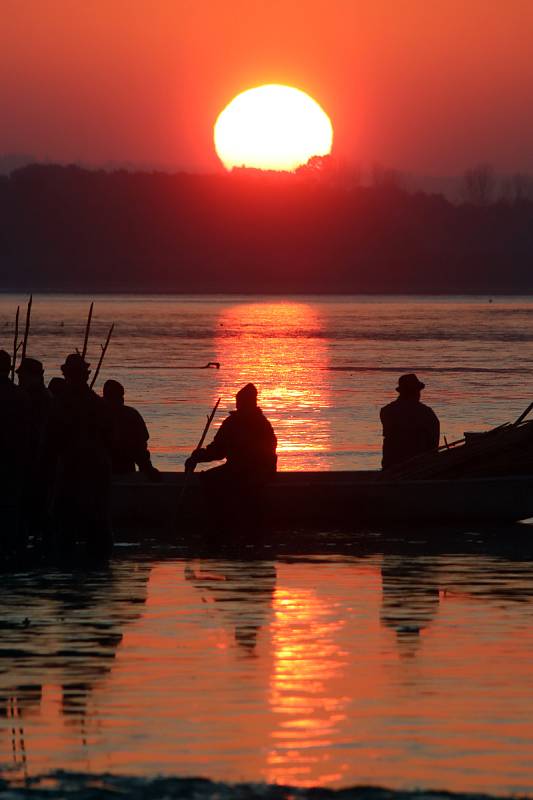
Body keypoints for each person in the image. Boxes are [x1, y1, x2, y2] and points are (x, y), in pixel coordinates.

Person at [46, 353, 113, 555]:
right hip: (96, 469)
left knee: (65, 527)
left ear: (67, 375)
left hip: (71, 470)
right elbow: (110, 439)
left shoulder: (59, 404)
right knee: (97, 526)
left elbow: (49, 441)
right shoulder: (98, 404)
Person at [185, 383, 277, 510]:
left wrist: (197, 457)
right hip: (261, 472)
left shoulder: (236, 423)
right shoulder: (263, 422)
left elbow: (218, 451)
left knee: (208, 479)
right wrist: (198, 456)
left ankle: (218, 514)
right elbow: (218, 449)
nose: (238, 405)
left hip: (248, 473)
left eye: (240, 402)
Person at [16, 357, 53, 538]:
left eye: (22, 374)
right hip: (35, 461)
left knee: (34, 507)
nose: (19, 377)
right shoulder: (39, 396)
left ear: (33, 376)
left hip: (35, 463)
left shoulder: (36, 398)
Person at [102, 379, 160, 481]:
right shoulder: (97, 413)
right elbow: (140, 448)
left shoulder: (131, 415)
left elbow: (140, 446)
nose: (121, 399)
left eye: (121, 396)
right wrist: (147, 468)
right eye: (117, 396)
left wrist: (146, 468)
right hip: (104, 469)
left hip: (124, 469)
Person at [380, 373, 440, 470]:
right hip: (419, 467)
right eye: (418, 391)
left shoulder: (386, 411)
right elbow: (433, 445)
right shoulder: (426, 413)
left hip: (391, 466)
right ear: (416, 392)